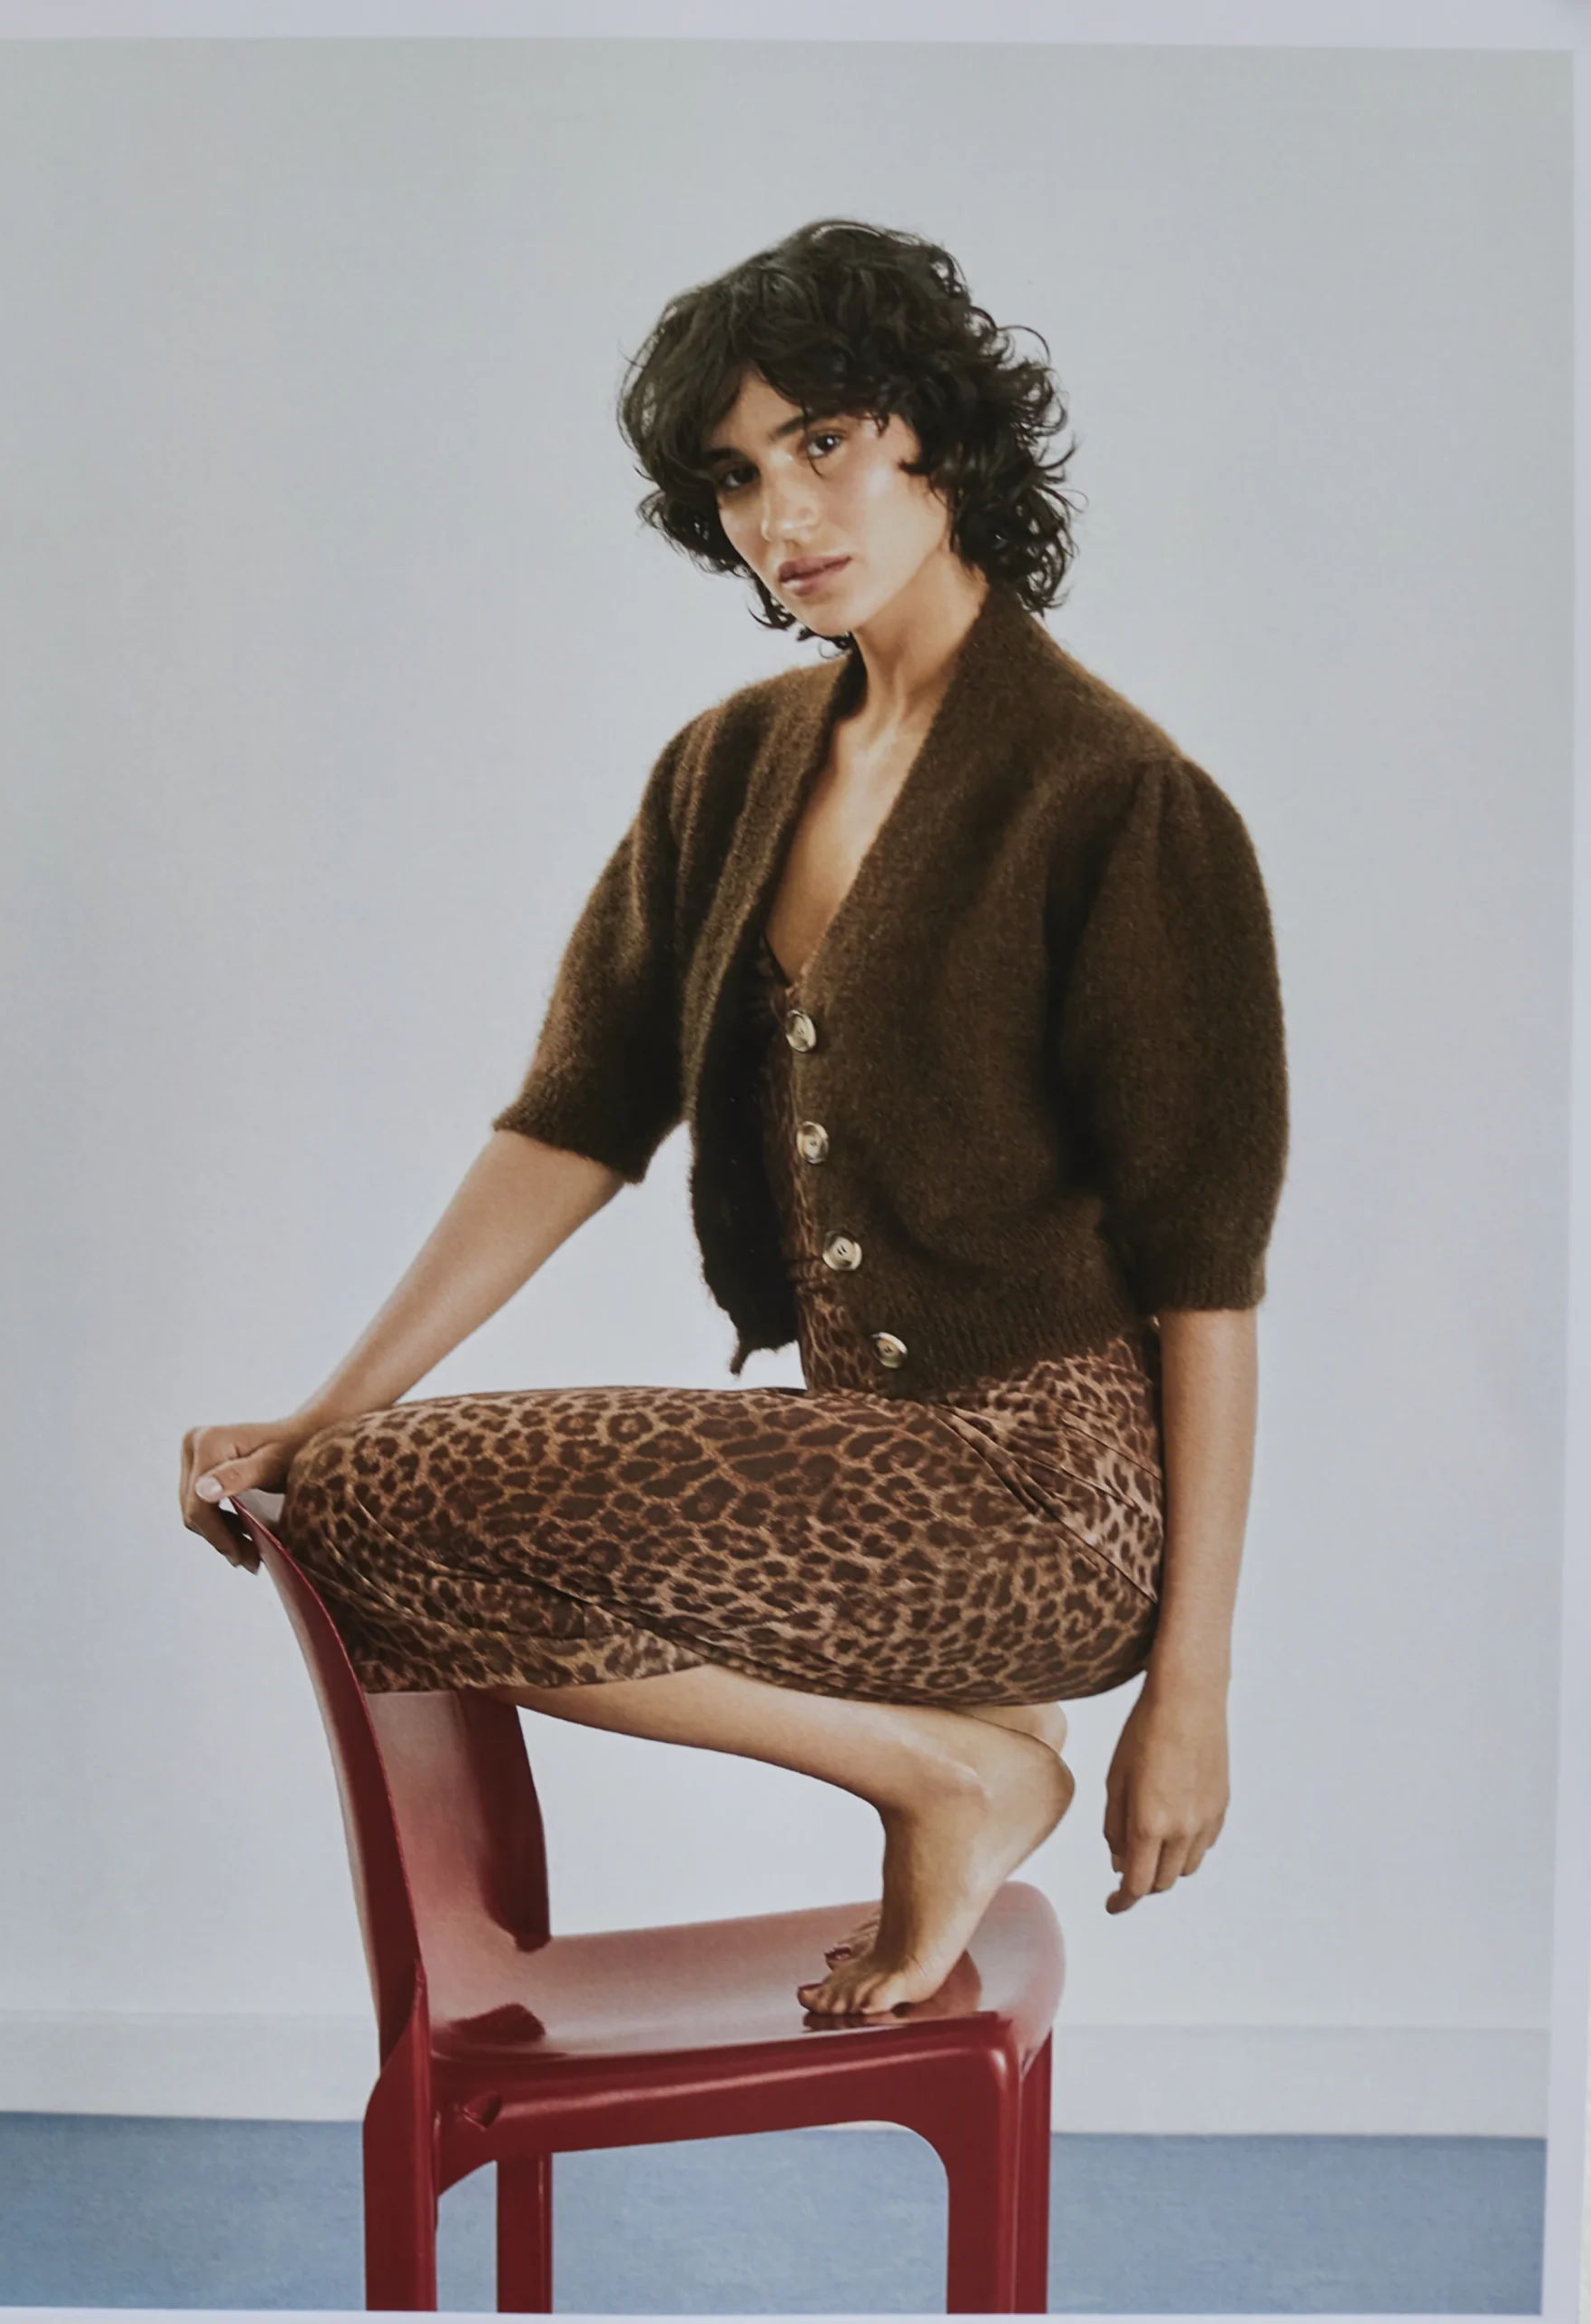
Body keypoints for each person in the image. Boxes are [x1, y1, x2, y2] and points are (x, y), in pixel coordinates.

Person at [179, 218, 1289, 2020]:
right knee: (351, 1502)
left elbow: (1205, 1285)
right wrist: (324, 1410)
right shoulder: (726, 770)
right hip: (871, 1468)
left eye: (824, 441)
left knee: (384, 1502)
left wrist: (1193, 1687)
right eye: (736, 476)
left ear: (940, 437)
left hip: (1054, 1502)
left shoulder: (1118, 800)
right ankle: (948, 1768)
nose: (784, 514)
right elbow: (567, 1124)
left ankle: (959, 1776)